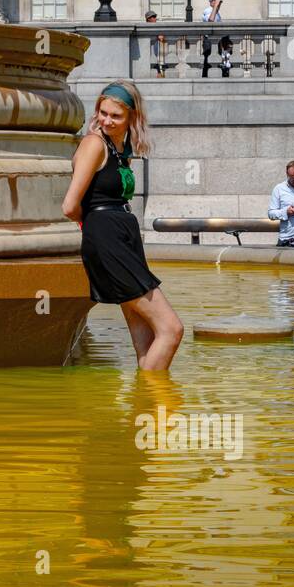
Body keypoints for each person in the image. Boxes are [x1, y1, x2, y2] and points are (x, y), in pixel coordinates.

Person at [63, 81, 184, 372]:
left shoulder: (120, 148)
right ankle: (156, 402)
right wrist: (94, 227)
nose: (106, 120)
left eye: (115, 116)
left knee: (144, 334)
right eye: (103, 113)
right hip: (108, 238)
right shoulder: (94, 144)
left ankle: (141, 412)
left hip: (121, 237)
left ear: (132, 117)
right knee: (171, 329)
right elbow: (69, 205)